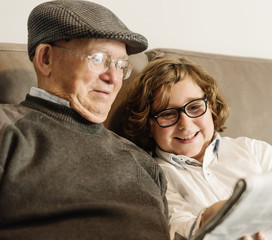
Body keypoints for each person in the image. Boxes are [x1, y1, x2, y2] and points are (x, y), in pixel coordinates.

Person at [111, 57, 272, 240]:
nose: (185, 124)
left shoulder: (255, 152)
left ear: (210, 107)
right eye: (168, 114)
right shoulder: (156, 175)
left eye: (194, 107)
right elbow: (176, 227)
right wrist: (214, 216)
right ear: (149, 125)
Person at [0, 1, 170, 239]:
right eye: (99, 58)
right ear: (46, 59)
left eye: (121, 65)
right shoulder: (7, 130)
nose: (113, 77)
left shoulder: (146, 165)